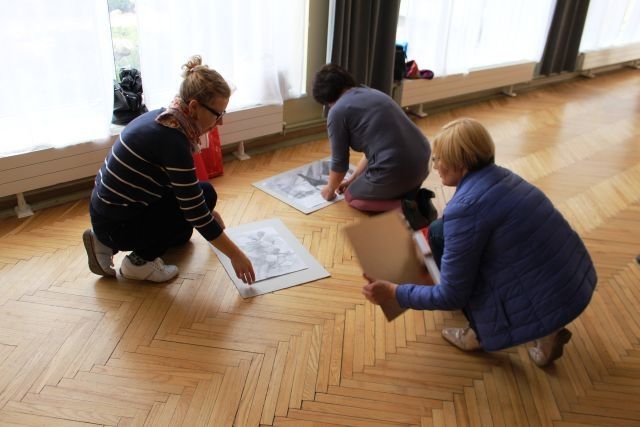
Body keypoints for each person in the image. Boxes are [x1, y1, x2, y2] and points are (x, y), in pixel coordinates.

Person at [362, 118, 597, 367]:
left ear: (460, 163)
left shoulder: (465, 208)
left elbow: (451, 295)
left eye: (439, 159)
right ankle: (548, 330)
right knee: (440, 230)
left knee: (459, 270)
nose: (435, 166)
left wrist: (394, 292)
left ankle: (478, 333)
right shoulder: (504, 177)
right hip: (571, 283)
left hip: (541, 296)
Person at [83, 55, 255, 284]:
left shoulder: (166, 118)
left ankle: (105, 241)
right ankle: (137, 264)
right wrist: (236, 255)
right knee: (199, 206)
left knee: (194, 215)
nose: (220, 122)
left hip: (108, 212)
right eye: (218, 114)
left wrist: (207, 215)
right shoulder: (173, 141)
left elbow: (175, 185)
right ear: (194, 107)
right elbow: (195, 212)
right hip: (116, 223)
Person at [312, 64, 432, 213]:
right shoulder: (372, 92)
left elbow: (339, 163)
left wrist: (330, 189)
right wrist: (352, 179)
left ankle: (409, 207)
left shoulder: (336, 112)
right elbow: (375, 151)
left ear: (325, 99)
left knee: (351, 197)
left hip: (399, 169)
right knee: (359, 184)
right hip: (422, 163)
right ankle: (412, 195)